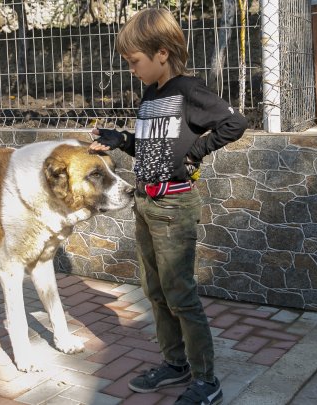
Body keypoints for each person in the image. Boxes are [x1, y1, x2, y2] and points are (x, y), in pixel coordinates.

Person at [89, 7, 247, 405]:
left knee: (180, 294)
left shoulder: (188, 90)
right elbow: (151, 146)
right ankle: (176, 364)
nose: (131, 69)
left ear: (161, 53)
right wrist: (121, 139)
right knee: (155, 290)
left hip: (174, 208)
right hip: (145, 202)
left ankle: (207, 380)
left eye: (134, 61)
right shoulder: (152, 94)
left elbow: (235, 123)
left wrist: (197, 151)